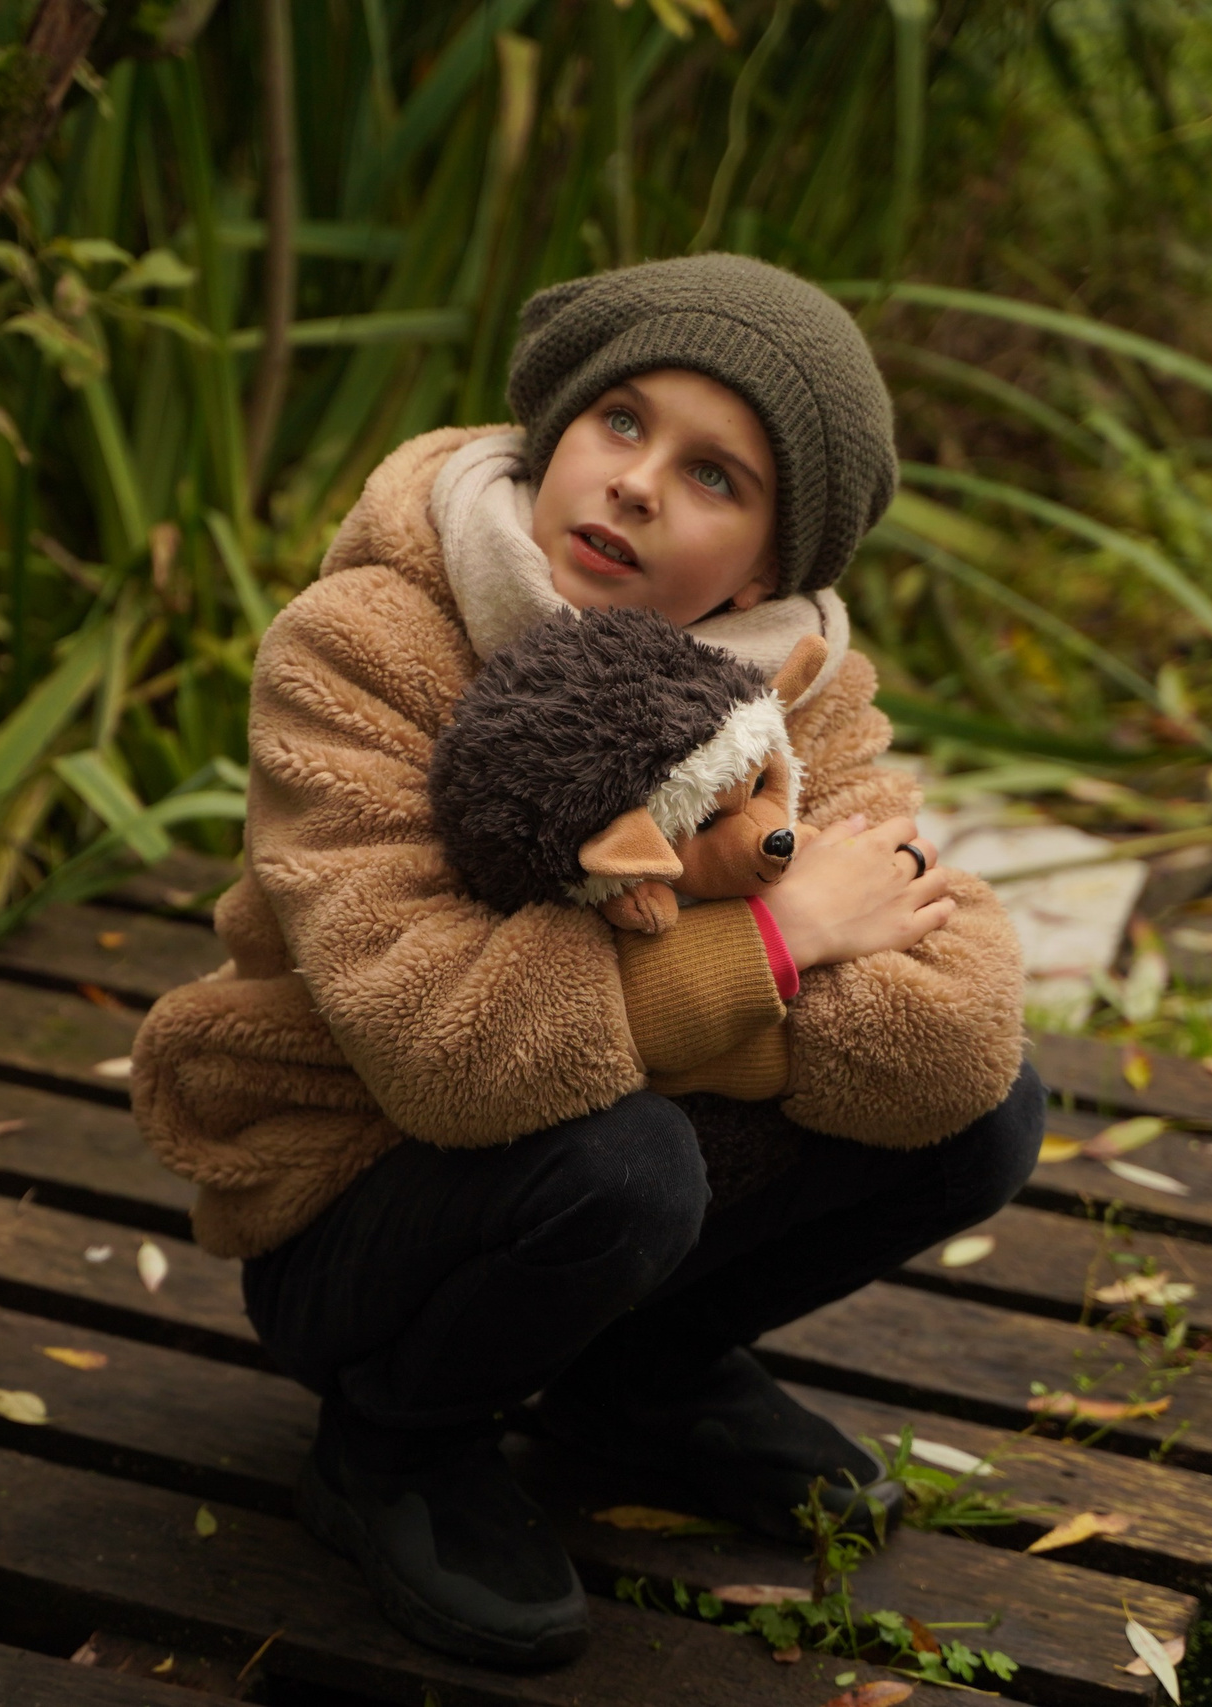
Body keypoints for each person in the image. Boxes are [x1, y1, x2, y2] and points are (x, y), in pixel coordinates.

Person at [132, 255, 1042, 1671]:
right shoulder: (366, 646)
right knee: (623, 1163)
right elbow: (445, 1052)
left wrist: (720, 984)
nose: (636, 482)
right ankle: (395, 1447)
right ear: (558, 428)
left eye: (715, 476)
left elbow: (952, 1029)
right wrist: (780, 946)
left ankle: (640, 1384)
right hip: (367, 1208)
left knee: (992, 1115)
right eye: (621, 421)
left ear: (768, 567)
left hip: (611, 1162)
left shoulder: (794, 681)